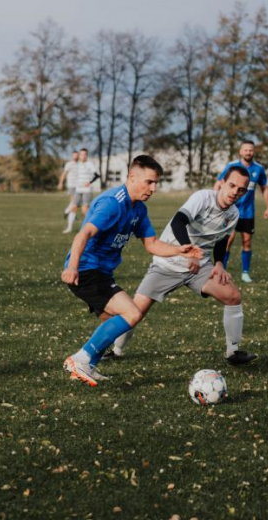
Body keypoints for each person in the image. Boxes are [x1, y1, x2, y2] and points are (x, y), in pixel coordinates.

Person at [61, 155, 203, 386]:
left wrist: (180, 251)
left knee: (113, 321)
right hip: (87, 270)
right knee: (132, 313)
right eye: (149, 182)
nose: (153, 188)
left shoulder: (139, 209)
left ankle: (89, 364)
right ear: (132, 177)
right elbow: (83, 234)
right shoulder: (112, 203)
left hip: (102, 272)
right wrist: (72, 267)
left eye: (156, 183)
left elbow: (151, 244)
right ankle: (81, 359)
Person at [107, 165, 258, 366]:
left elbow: (220, 240)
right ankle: (115, 350)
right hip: (167, 263)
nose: (235, 192)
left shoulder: (234, 214)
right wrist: (189, 253)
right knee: (135, 312)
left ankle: (233, 352)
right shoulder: (203, 198)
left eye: (241, 189)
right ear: (222, 183)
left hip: (199, 268)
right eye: (232, 185)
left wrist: (220, 263)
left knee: (233, 296)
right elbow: (179, 222)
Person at [213, 141, 268, 283]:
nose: (248, 153)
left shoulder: (258, 169)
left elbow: (264, 188)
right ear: (240, 151)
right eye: (245, 150)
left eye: (250, 150)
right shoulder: (232, 166)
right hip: (230, 211)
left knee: (247, 242)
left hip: (248, 212)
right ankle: (222, 270)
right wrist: (214, 201)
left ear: (253, 152)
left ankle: (245, 273)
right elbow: (219, 183)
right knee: (228, 240)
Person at [63, 148, 101, 233]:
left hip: (87, 190)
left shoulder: (90, 164)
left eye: (84, 154)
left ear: (87, 155)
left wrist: (89, 182)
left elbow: (97, 175)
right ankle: (69, 228)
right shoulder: (77, 165)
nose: (83, 156)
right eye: (81, 154)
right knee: (73, 207)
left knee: (84, 210)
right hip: (78, 189)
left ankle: (94, 227)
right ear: (79, 156)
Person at [57, 151, 80, 231]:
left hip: (79, 186)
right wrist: (60, 183)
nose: (76, 157)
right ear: (72, 156)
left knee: (75, 204)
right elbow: (64, 174)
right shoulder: (69, 164)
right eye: (74, 156)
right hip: (71, 186)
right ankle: (69, 226)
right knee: (74, 204)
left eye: (77, 156)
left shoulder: (80, 164)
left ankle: (67, 211)